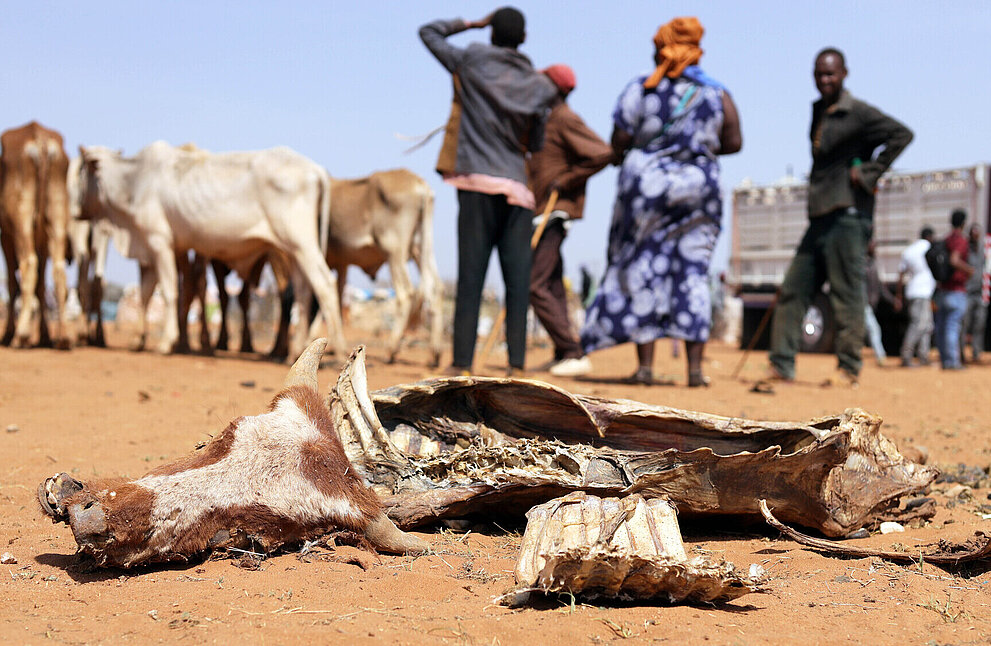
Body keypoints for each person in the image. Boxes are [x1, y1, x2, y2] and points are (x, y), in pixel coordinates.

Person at [580, 17, 742, 387]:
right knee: (693, 272)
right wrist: (694, 149)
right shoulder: (716, 93)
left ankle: (646, 369)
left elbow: (620, 138)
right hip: (699, 193)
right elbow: (734, 142)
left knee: (644, 268)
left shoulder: (642, 87)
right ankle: (695, 371)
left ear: (661, 49)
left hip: (647, 192)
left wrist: (650, 150)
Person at [419, 7, 557, 376]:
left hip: (476, 184)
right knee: (517, 282)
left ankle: (461, 364)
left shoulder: (472, 61)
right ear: (523, 39)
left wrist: (470, 23)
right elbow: (536, 143)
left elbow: (429, 32)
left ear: (491, 33)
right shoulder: (539, 86)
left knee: (471, 277)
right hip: (517, 190)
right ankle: (516, 366)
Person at [767, 48, 913, 387]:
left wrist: (868, 173)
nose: (824, 80)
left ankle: (848, 368)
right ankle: (781, 364)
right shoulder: (819, 110)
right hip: (820, 213)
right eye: (819, 74)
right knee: (794, 288)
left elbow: (902, 135)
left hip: (848, 215)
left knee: (847, 293)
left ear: (844, 74)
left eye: (830, 74)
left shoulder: (858, 112)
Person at [527, 64, 614, 378]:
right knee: (551, 283)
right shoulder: (546, 118)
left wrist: (567, 180)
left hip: (554, 212)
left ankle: (574, 351)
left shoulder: (565, 118)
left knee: (534, 283)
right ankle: (564, 353)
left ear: (555, 88)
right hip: (541, 210)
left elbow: (603, 153)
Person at [934, 209, 974, 370]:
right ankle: (952, 361)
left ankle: (945, 360)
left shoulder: (946, 239)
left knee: (942, 327)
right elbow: (954, 260)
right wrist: (969, 270)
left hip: (943, 290)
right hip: (956, 291)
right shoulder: (960, 240)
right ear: (963, 223)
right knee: (952, 327)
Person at [894, 227, 936, 367]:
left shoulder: (909, 250)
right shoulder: (929, 248)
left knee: (927, 326)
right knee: (918, 325)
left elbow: (901, 273)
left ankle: (924, 356)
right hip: (923, 292)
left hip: (913, 291)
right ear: (930, 237)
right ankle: (906, 355)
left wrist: (899, 295)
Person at [960, 223, 987, 363]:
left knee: (979, 323)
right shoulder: (965, 249)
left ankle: (976, 352)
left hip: (981, 292)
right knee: (964, 323)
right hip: (967, 292)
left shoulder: (984, 249)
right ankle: (961, 352)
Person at [863, 239, 891, 366]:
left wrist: (892, 300)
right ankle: (880, 356)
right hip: (863, 304)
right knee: (874, 329)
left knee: (866, 330)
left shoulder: (873, 263)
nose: (874, 247)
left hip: (869, 304)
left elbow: (880, 287)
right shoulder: (862, 264)